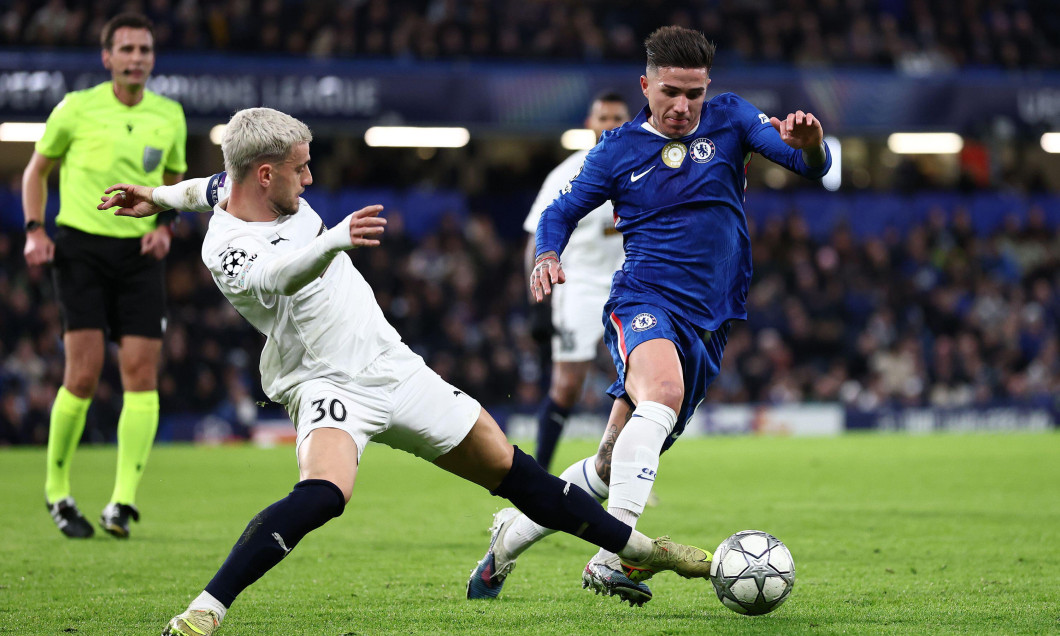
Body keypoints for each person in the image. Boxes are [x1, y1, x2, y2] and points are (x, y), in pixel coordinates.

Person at [98, 107, 716, 636]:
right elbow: (276, 276)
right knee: (324, 495)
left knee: (513, 472)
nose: (310, 178)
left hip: (395, 368)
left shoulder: (240, 186)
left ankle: (640, 550)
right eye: (301, 168)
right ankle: (204, 612)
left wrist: (154, 196)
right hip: (323, 382)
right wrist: (334, 240)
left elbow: (203, 187)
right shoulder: (225, 247)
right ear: (264, 174)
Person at [468, 25, 832, 606]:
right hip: (644, 301)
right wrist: (546, 255)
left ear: (708, 88)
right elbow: (560, 212)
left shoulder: (733, 118)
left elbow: (811, 165)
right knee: (660, 393)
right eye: (670, 92)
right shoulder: (616, 150)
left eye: (694, 93)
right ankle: (616, 557)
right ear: (646, 85)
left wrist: (811, 143)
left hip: (711, 321)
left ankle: (506, 539)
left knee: (613, 464)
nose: (683, 106)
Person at [22, 12, 187, 539]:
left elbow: (173, 178)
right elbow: (36, 170)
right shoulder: (76, 108)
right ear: (107, 58)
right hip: (81, 249)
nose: (137, 58)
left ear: (152, 58)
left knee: (141, 372)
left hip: (139, 252)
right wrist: (34, 229)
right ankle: (57, 491)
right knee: (84, 375)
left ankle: (121, 503)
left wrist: (165, 224)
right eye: (127, 49)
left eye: (144, 49)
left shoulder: (171, 115)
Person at [524, 92, 630, 473]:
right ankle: (537, 474)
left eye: (618, 117)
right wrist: (537, 306)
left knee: (640, 382)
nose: (610, 125)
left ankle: (621, 469)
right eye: (603, 118)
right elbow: (535, 236)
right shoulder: (566, 173)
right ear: (590, 124)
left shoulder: (642, 167)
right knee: (567, 386)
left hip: (628, 286)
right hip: (579, 288)